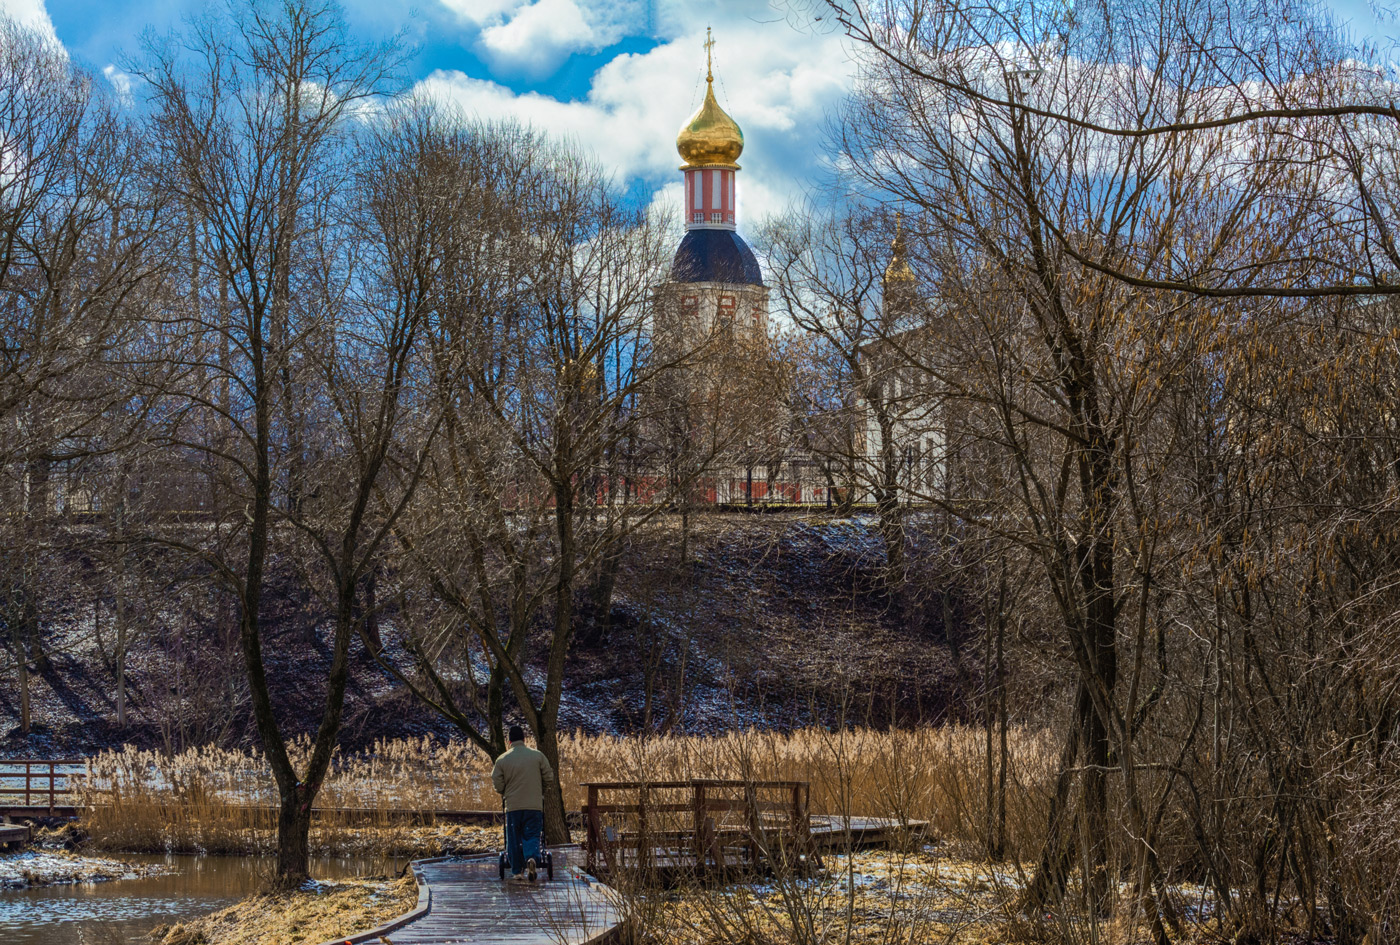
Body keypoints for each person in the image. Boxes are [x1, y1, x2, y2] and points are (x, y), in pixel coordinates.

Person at [491, 724, 556, 881]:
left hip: (513, 806)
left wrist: (504, 791)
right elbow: (549, 776)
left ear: (509, 741)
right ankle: (532, 858)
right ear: (524, 739)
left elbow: (497, 781)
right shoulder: (537, 756)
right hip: (534, 805)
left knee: (513, 837)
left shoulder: (502, 760)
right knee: (532, 834)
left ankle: (516, 871)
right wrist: (541, 790)